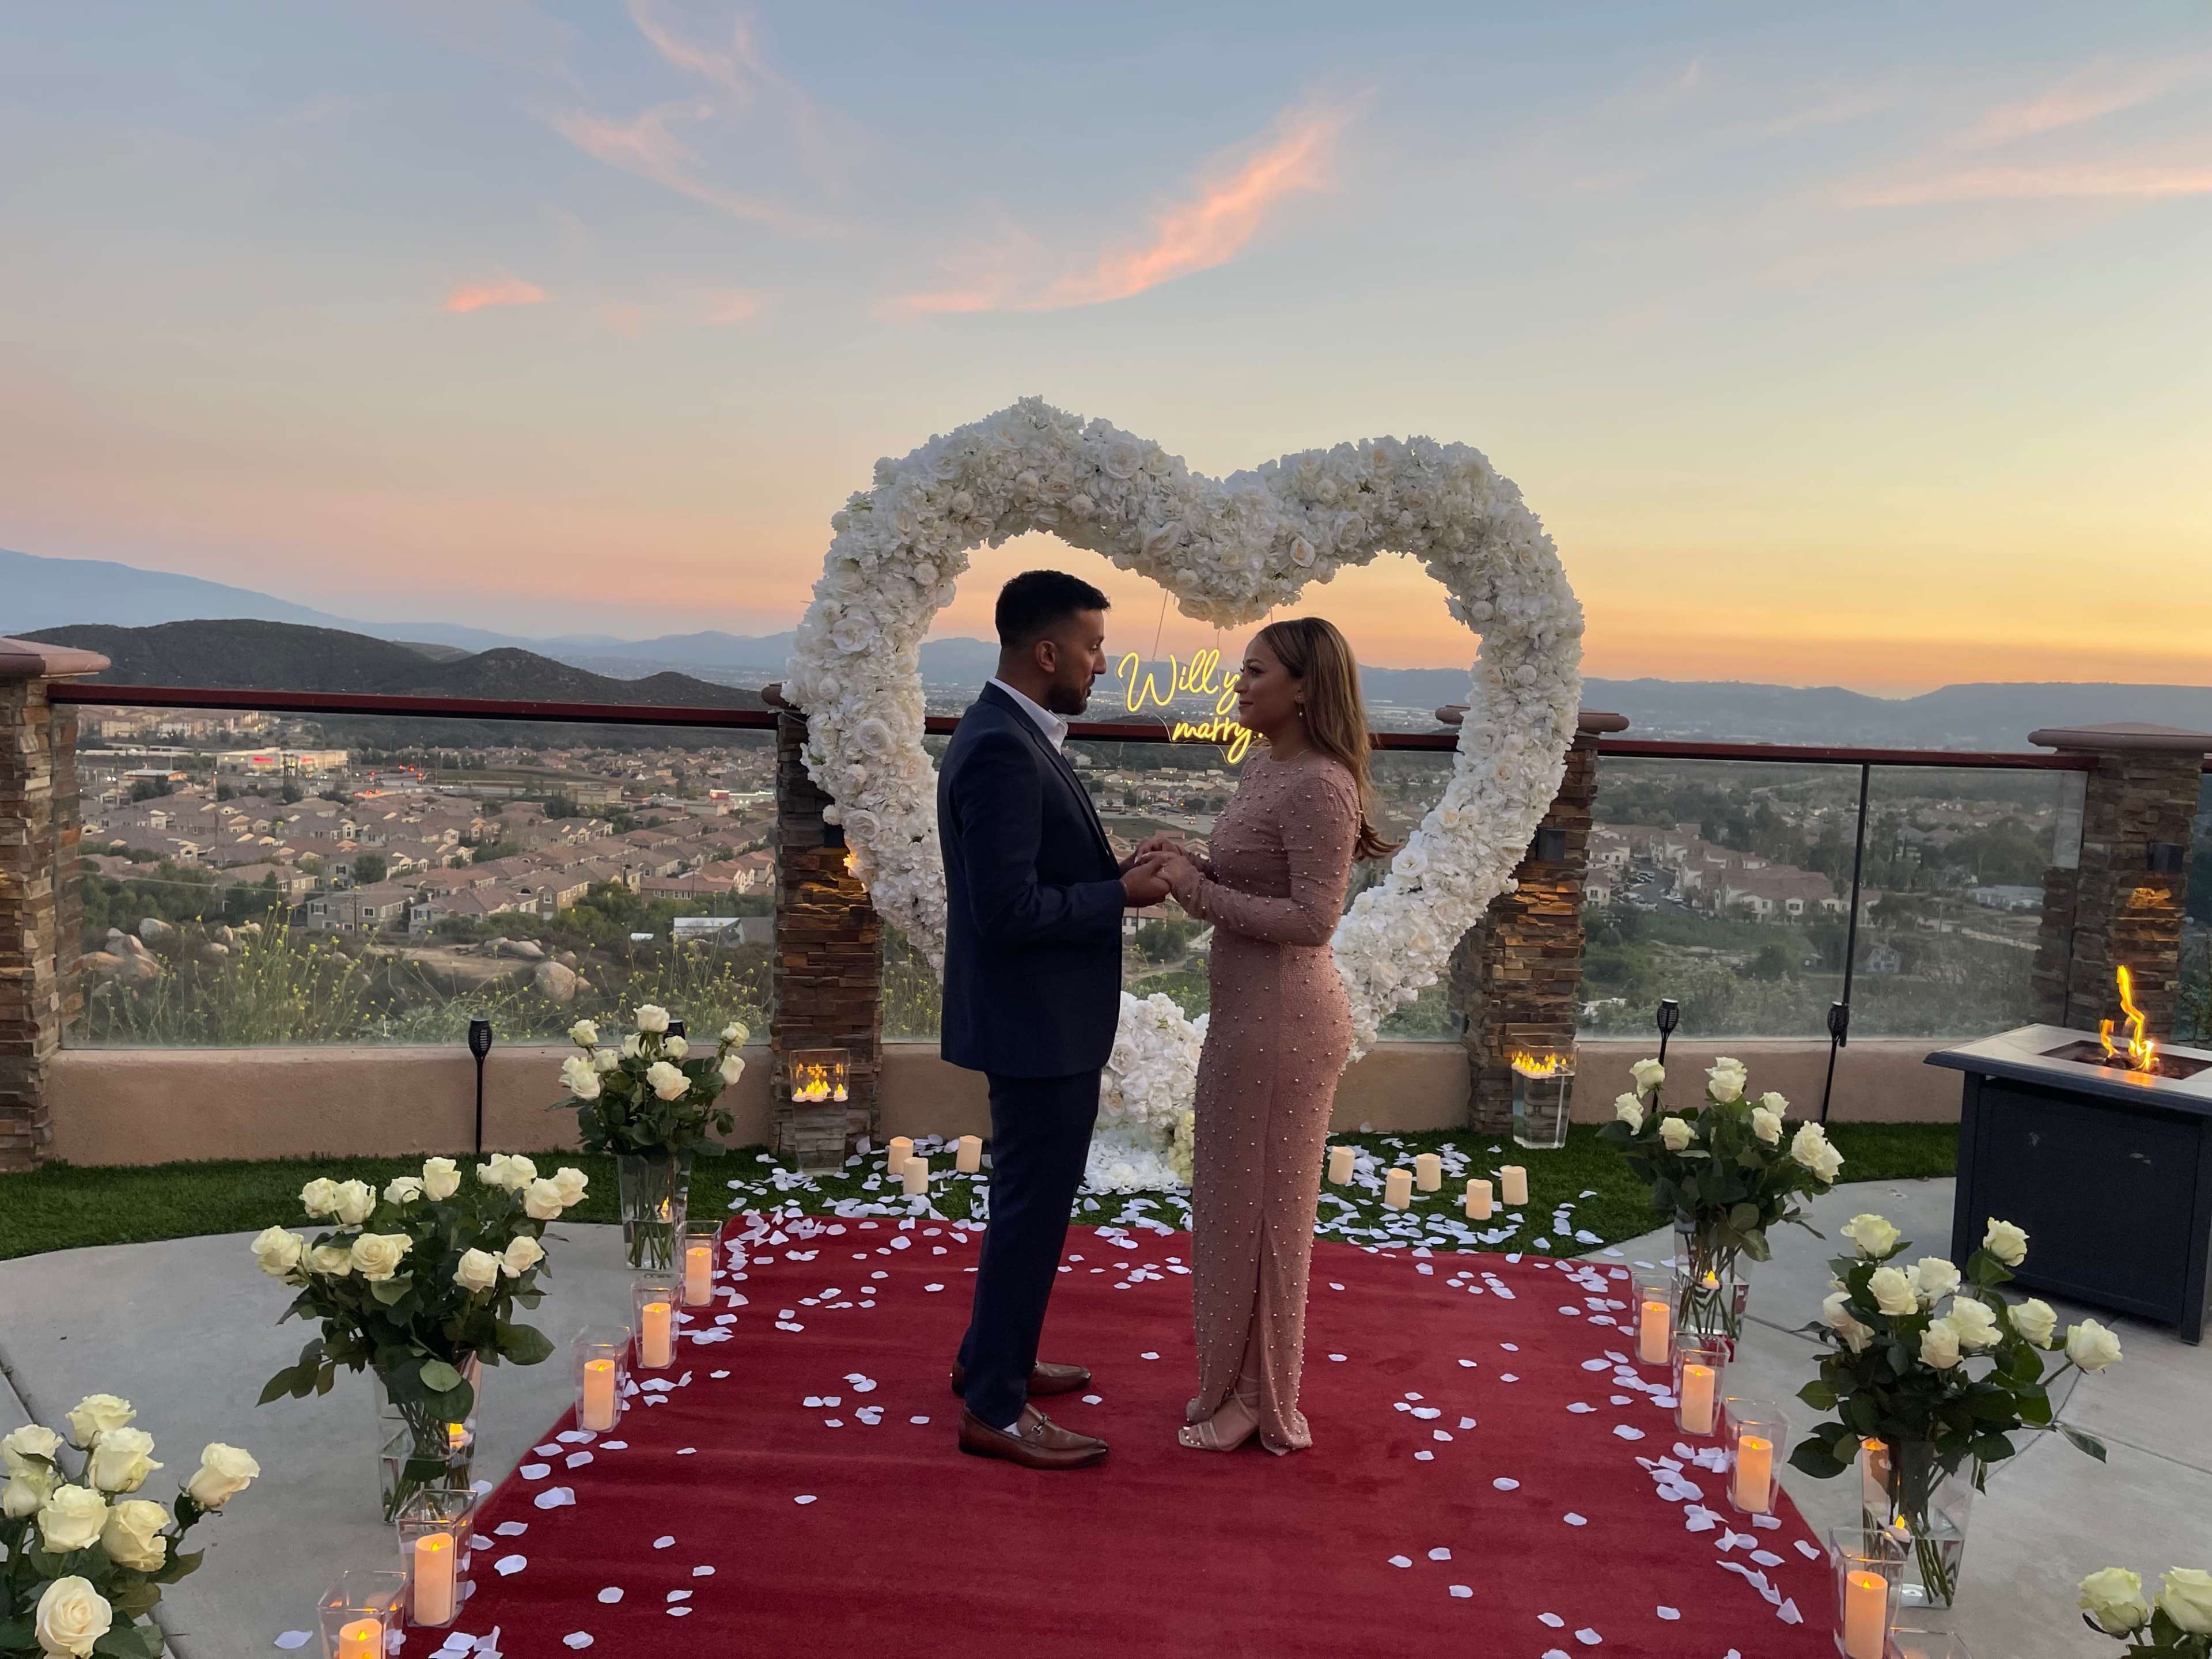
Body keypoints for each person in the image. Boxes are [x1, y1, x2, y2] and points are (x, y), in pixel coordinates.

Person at [1137, 618, 1397, 1454]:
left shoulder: (1321, 783)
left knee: (1267, 1217)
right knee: (1227, 1208)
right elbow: (1256, 879)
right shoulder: (1265, 763)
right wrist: (1191, 861)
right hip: (1249, 1020)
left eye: (1254, 673)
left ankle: (1259, 1398)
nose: (1239, 687)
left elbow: (1314, 920)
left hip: (1285, 1025)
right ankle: (1227, 1382)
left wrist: (1194, 894)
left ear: (1304, 688)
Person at [938, 569, 1173, 1471]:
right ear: (1046, 653)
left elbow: (1033, 873)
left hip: (1036, 1021)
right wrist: (1118, 892)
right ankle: (994, 1409)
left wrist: (1116, 870)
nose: (1102, 664)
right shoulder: (1002, 745)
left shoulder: (1010, 730)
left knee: (1028, 1207)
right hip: (1037, 1026)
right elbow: (1008, 912)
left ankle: (989, 1360)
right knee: (1032, 1212)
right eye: (1092, 647)